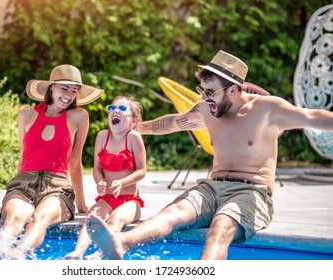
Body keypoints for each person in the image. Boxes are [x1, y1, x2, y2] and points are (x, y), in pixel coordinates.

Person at [86, 50, 333, 260]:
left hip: (252, 191)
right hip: (212, 187)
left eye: (211, 92)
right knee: (172, 214)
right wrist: (138, 128)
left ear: (234, 89)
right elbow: (172, 123)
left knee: (220, 228)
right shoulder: (207, 110)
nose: (204, 97)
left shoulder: (267, 109)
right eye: (202, 90)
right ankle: (120, 243)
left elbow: (312, 117)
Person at [0, 64, 103, 259]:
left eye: (74, 90)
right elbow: (23, 157)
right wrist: (9, 197)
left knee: (39, 218)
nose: (69, 95)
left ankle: (16, 257)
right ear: (51, 87)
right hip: (23, 183)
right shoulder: (26, 114)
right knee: (12, 219)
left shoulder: (79, 116)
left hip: (57, 186)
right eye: (64, 88)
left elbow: (75, 162)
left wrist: (81, 203)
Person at [64, 95, 146, 260]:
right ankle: (78, 252)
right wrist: (100, 181)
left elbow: (141, 171)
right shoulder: (102, 136)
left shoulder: (133, 138)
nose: (116, 110)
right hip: (107, 199)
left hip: (130, 200)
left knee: (115, 219)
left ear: (133, 121)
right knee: (92, 218)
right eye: (112, 108)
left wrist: (122, 182)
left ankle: (100, 254)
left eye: (122, 109)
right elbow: (97, 169)